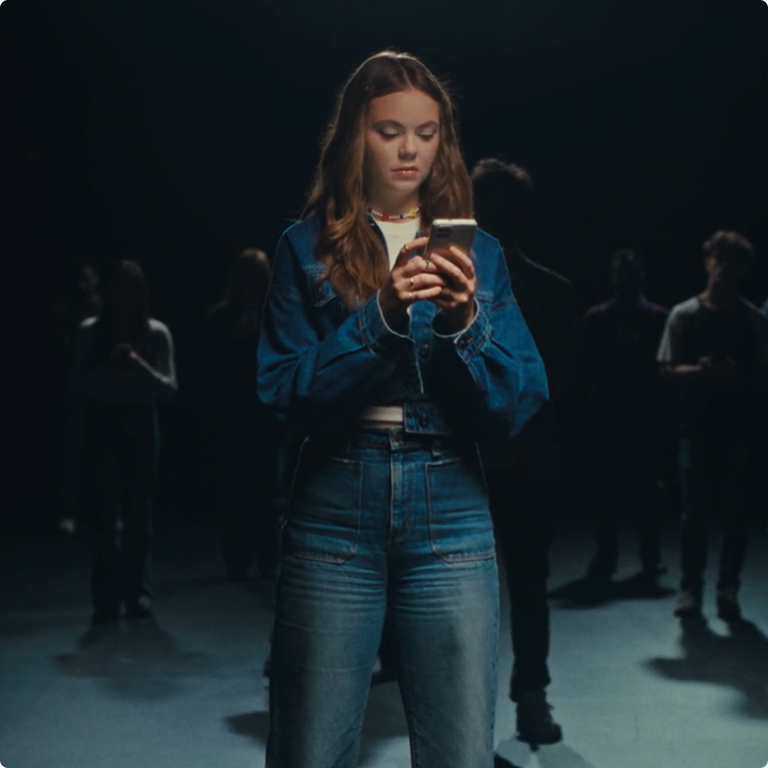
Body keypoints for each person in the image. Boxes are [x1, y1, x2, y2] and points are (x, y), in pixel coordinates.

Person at [256, 51, 548, 768]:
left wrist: (459, 326)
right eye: (390, 130)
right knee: (309, 748)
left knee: (459, 754)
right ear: (356, 135)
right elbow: (282, 392)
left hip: (451, 497)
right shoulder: (305, 246)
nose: (410, 148)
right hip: (333, 499)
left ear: (442, 140)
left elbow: (518, 400)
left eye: (426, 131)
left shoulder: (481, 253)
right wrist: (381, 318)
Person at [471, 158, 577, 745]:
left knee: (528, 582)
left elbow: (553, 378)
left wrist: (500, 430)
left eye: (506, 208)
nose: (496, 219)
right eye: (488, 207)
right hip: (464, 461)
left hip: (523, 457)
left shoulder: (552, 293)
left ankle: (529, 694)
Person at [658, 231, 768, 620]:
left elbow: (762, 377)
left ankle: (727, 587)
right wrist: (699, 371)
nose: (724, 268)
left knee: (735, 512)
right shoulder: (684, 314)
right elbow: (667, 369)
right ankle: (691, 587)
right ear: (708, 263)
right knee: (694, 515)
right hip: (697, 428)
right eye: (719, 259)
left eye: (733, 262)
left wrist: (737, 376)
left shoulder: (753, 318)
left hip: (739, 428)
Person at [70, 259, 177, 624]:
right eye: (118, 290)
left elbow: (168, 388)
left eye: (131, 292)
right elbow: (77, 385)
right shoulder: (90, 331)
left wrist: (138, 366)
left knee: (137, 513)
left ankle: (137, 594)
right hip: (104, 423)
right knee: (103, 514)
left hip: (140, 422)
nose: (123, 299)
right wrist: (107, 367)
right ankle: (105, 597)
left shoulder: (156, 333)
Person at [578, 249, 670, 581]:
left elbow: (665, 371)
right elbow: (585, 371)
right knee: (608, 491)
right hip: (610, 416)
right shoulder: (599, 318)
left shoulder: (656, 318)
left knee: (647, 490)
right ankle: (610, 555)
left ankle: (645, 556)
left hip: (644, 418)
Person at [200, 248, 280, 580]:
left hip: (266, 413)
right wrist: (237, 339)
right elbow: (209, 369)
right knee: (234, 487)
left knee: (267, 488)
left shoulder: (276, 315)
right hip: (233, 413)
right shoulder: (221, 316)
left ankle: (267, 557)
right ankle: (237, 557)